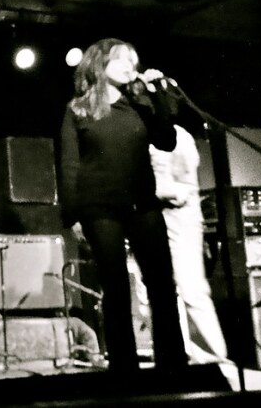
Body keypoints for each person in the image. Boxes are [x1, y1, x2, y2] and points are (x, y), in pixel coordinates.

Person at [58, 38, 188, 373]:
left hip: (142, 202)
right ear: (99, 65)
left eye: (133, 60)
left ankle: (172, 363)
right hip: (99, 207)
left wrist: (158, 93)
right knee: (115, 286)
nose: (130, 66)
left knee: (161, 282)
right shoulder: (78, 109)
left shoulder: (140, 104)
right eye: (121, 60)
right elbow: (70, 165)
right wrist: (72, 215)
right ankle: (124, 367)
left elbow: (167, 139)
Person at [150, 123, 228, 363]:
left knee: (191, 286)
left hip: (179, 215)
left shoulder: (177, 136)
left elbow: (183, 186)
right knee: (155, 290)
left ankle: (214, 358)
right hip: (154, 216)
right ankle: (177, 354)